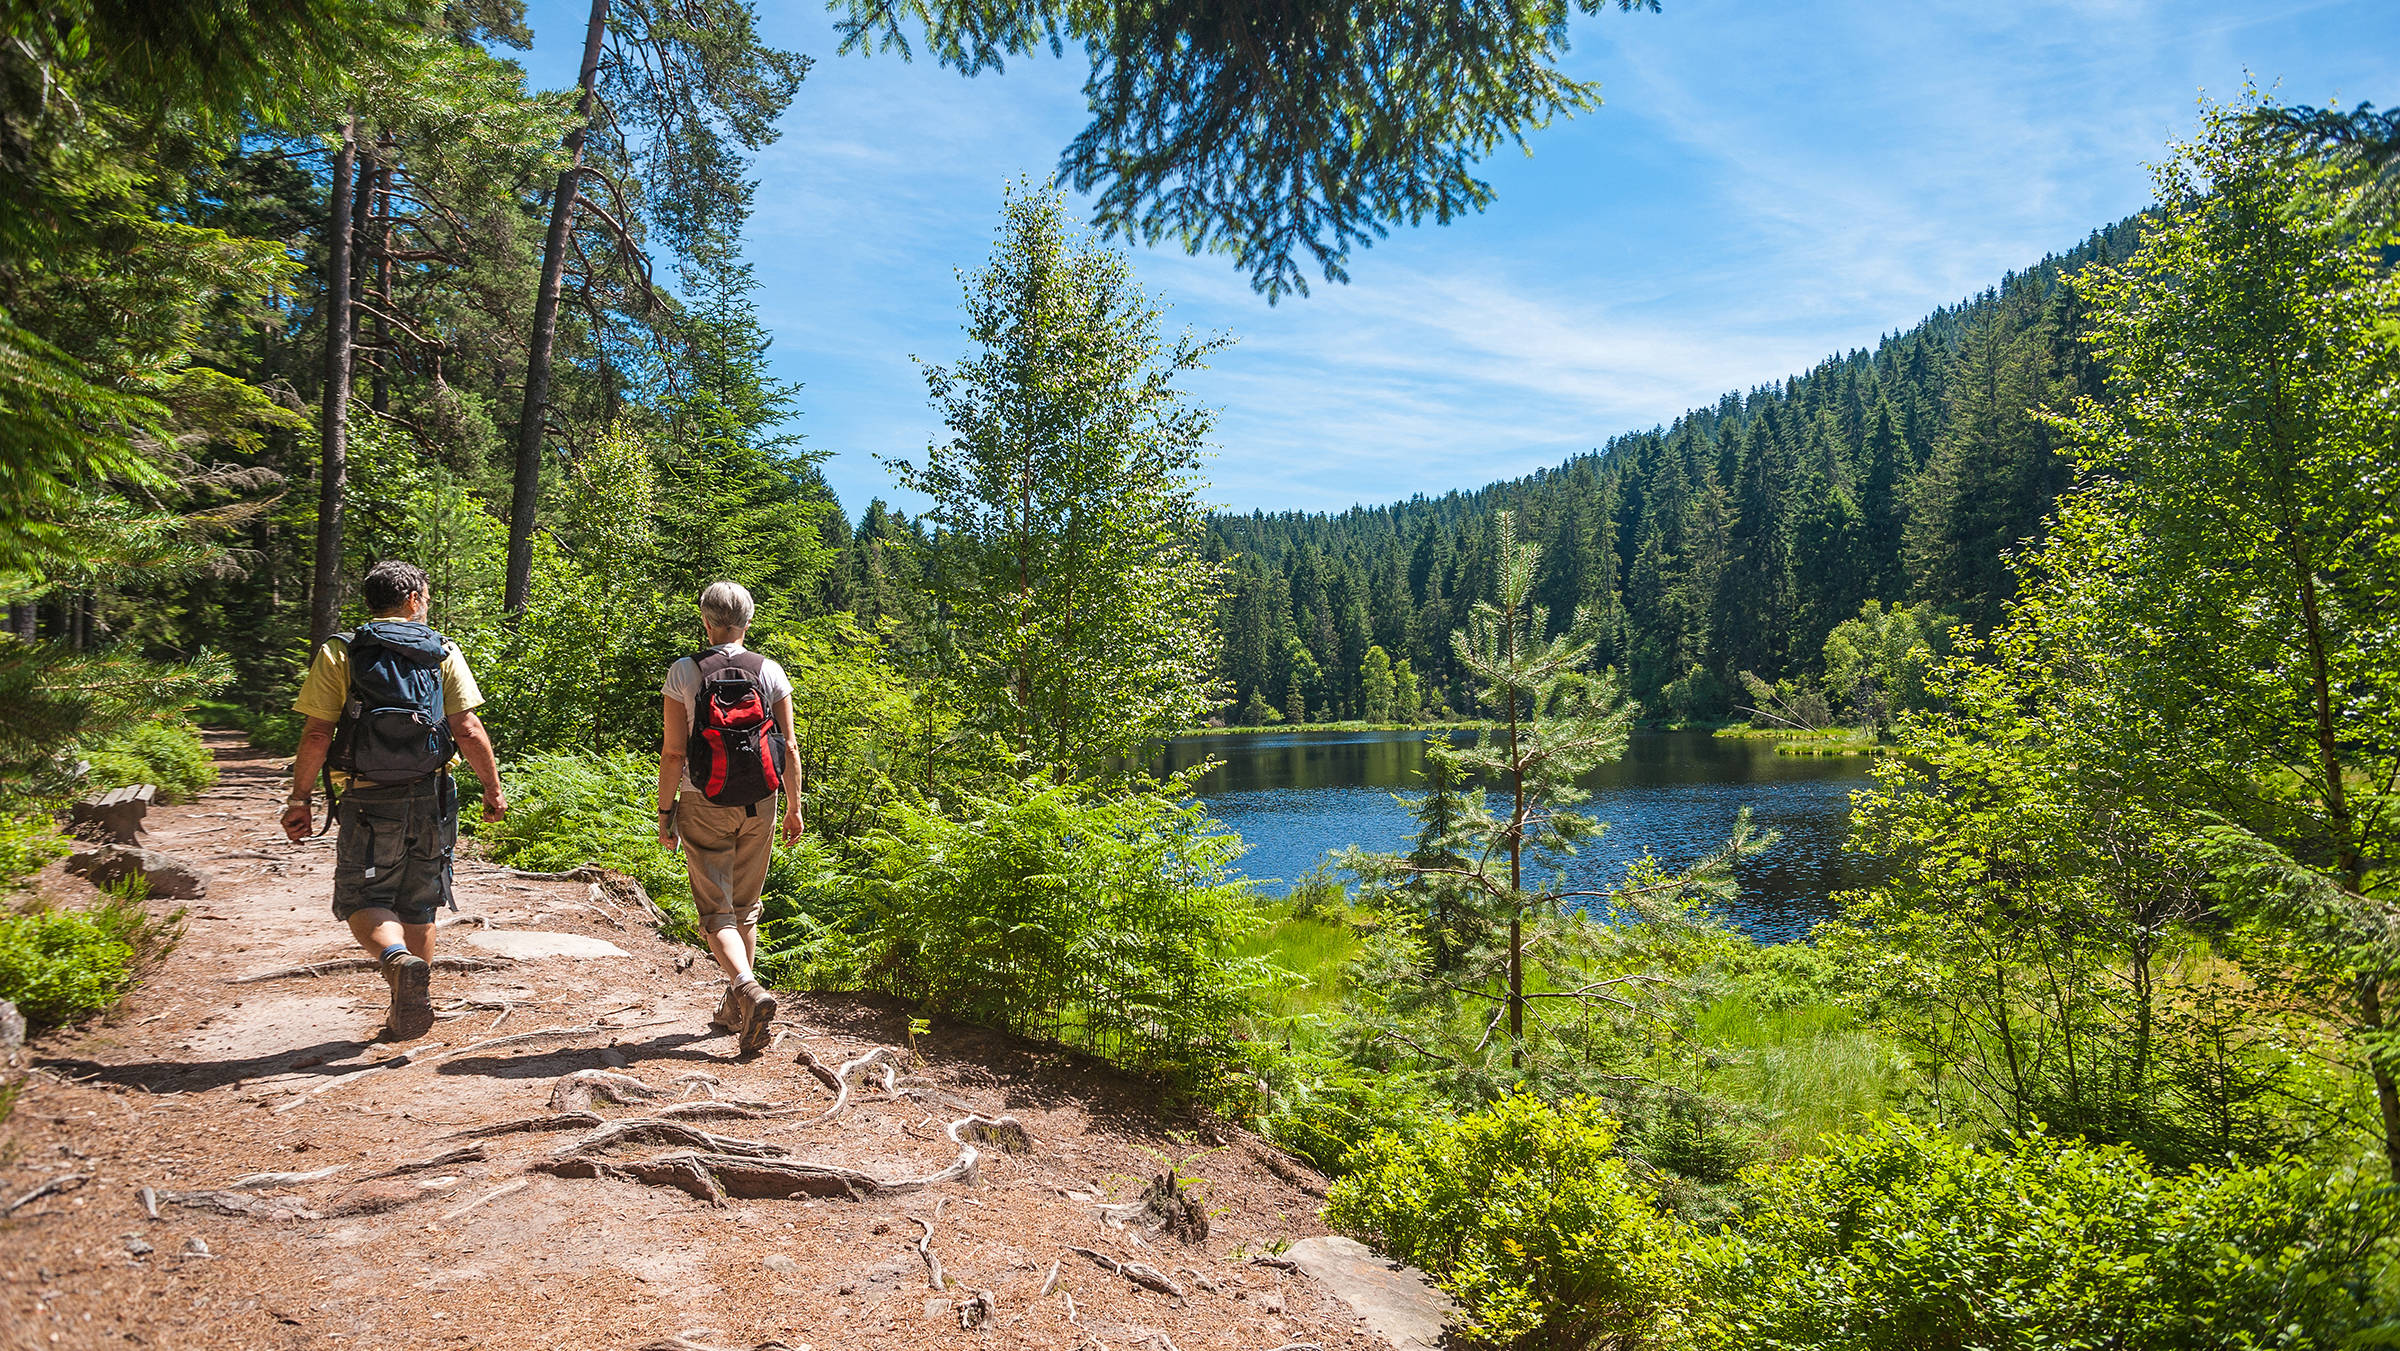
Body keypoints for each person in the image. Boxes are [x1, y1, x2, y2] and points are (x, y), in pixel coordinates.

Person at [282, 561, 506, 1038]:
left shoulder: (342, 652)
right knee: (420, 900)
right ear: (412, 599)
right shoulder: (442, 650)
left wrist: (299, 799)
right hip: (433, 794)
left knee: (363, 895)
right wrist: (492, 788)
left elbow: (319, 732)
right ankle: (409, 1006)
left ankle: (396, 961)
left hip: (366, 794)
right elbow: (467, 728)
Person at [658, 580, 802, 1055]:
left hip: (704, 800)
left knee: (716, 911)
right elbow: (790, 748)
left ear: (706, 620)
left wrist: (666, 812)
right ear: (748, 620)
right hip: (762, 801)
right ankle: (738, 1009)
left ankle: (745, 988)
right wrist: (794, 809)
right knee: (746, 907)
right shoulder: (770, 671)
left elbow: (675, 752)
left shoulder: (685, 672)